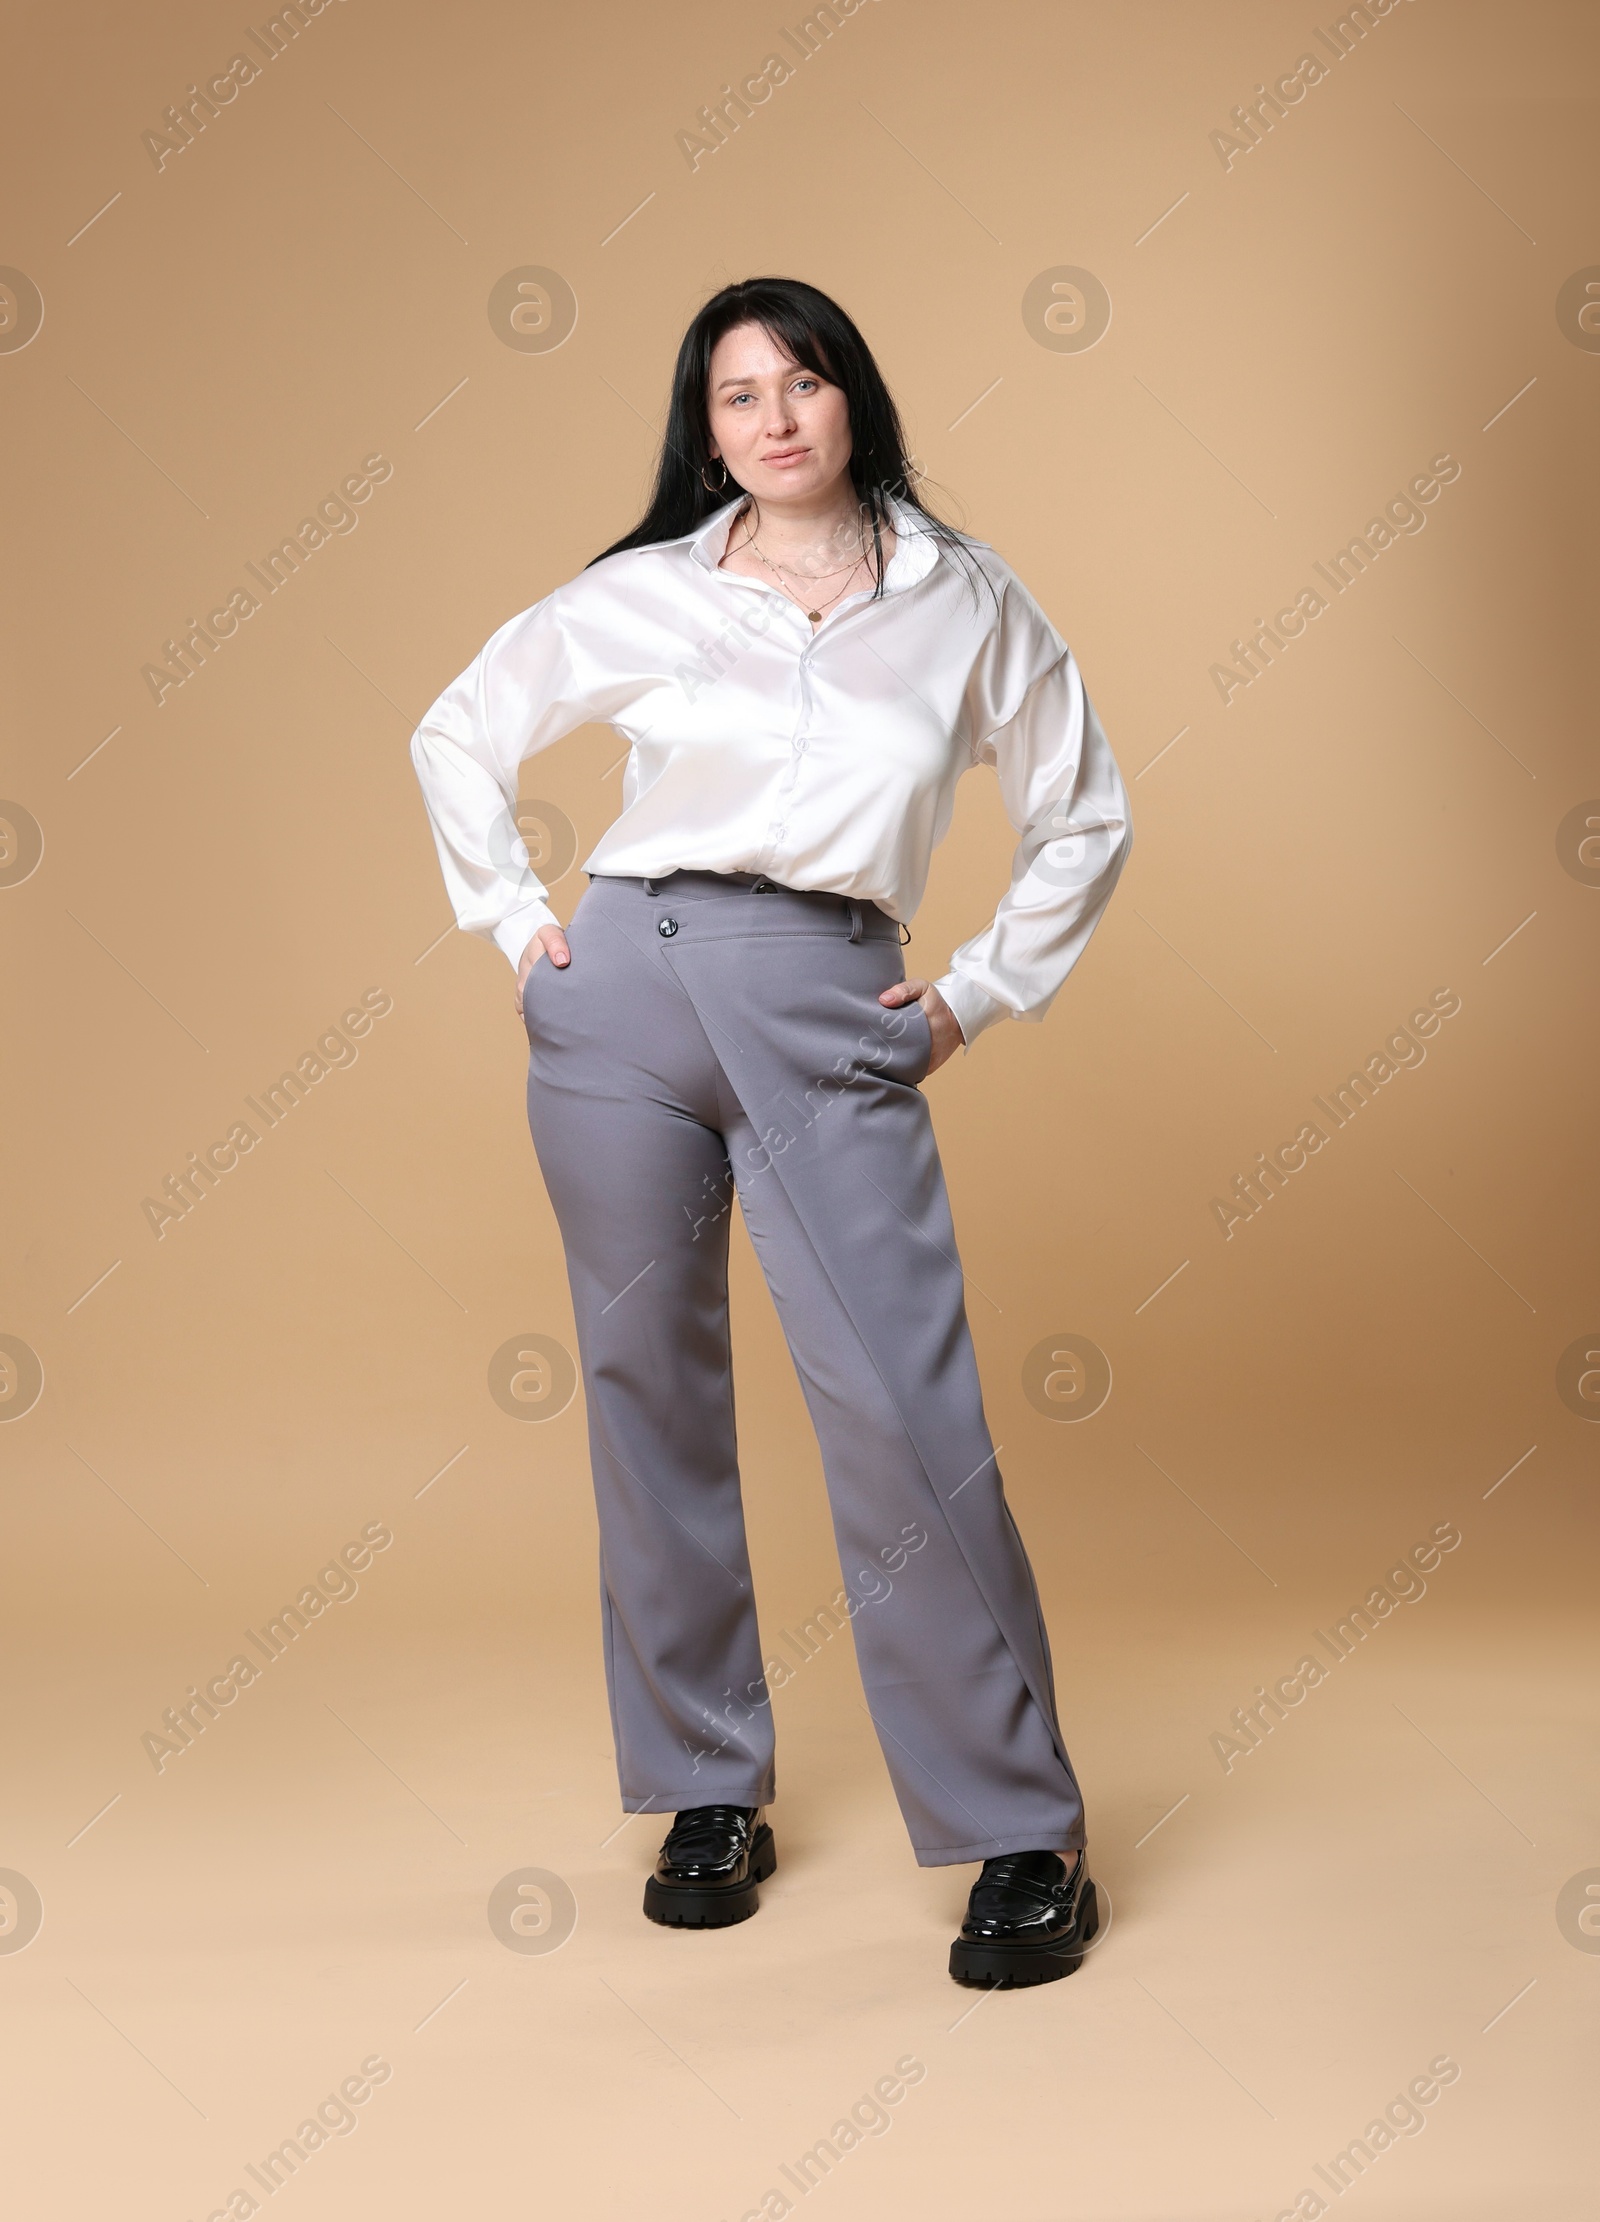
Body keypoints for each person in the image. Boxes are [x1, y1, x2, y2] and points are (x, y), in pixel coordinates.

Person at [409, 276, 1132, 1988]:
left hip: (830, 997)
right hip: (624, 999)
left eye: (803, 383)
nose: (777, 418)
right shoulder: (651, 590)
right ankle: (703, 1789)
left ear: (853, 400)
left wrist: (972, 993)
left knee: (901, 1406)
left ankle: (1022, 1828)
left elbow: (1083, 813)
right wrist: (523, 930)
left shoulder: (966, 600)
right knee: (645, 1385)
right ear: (706, 427)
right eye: (739, 396)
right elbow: (458, 730)